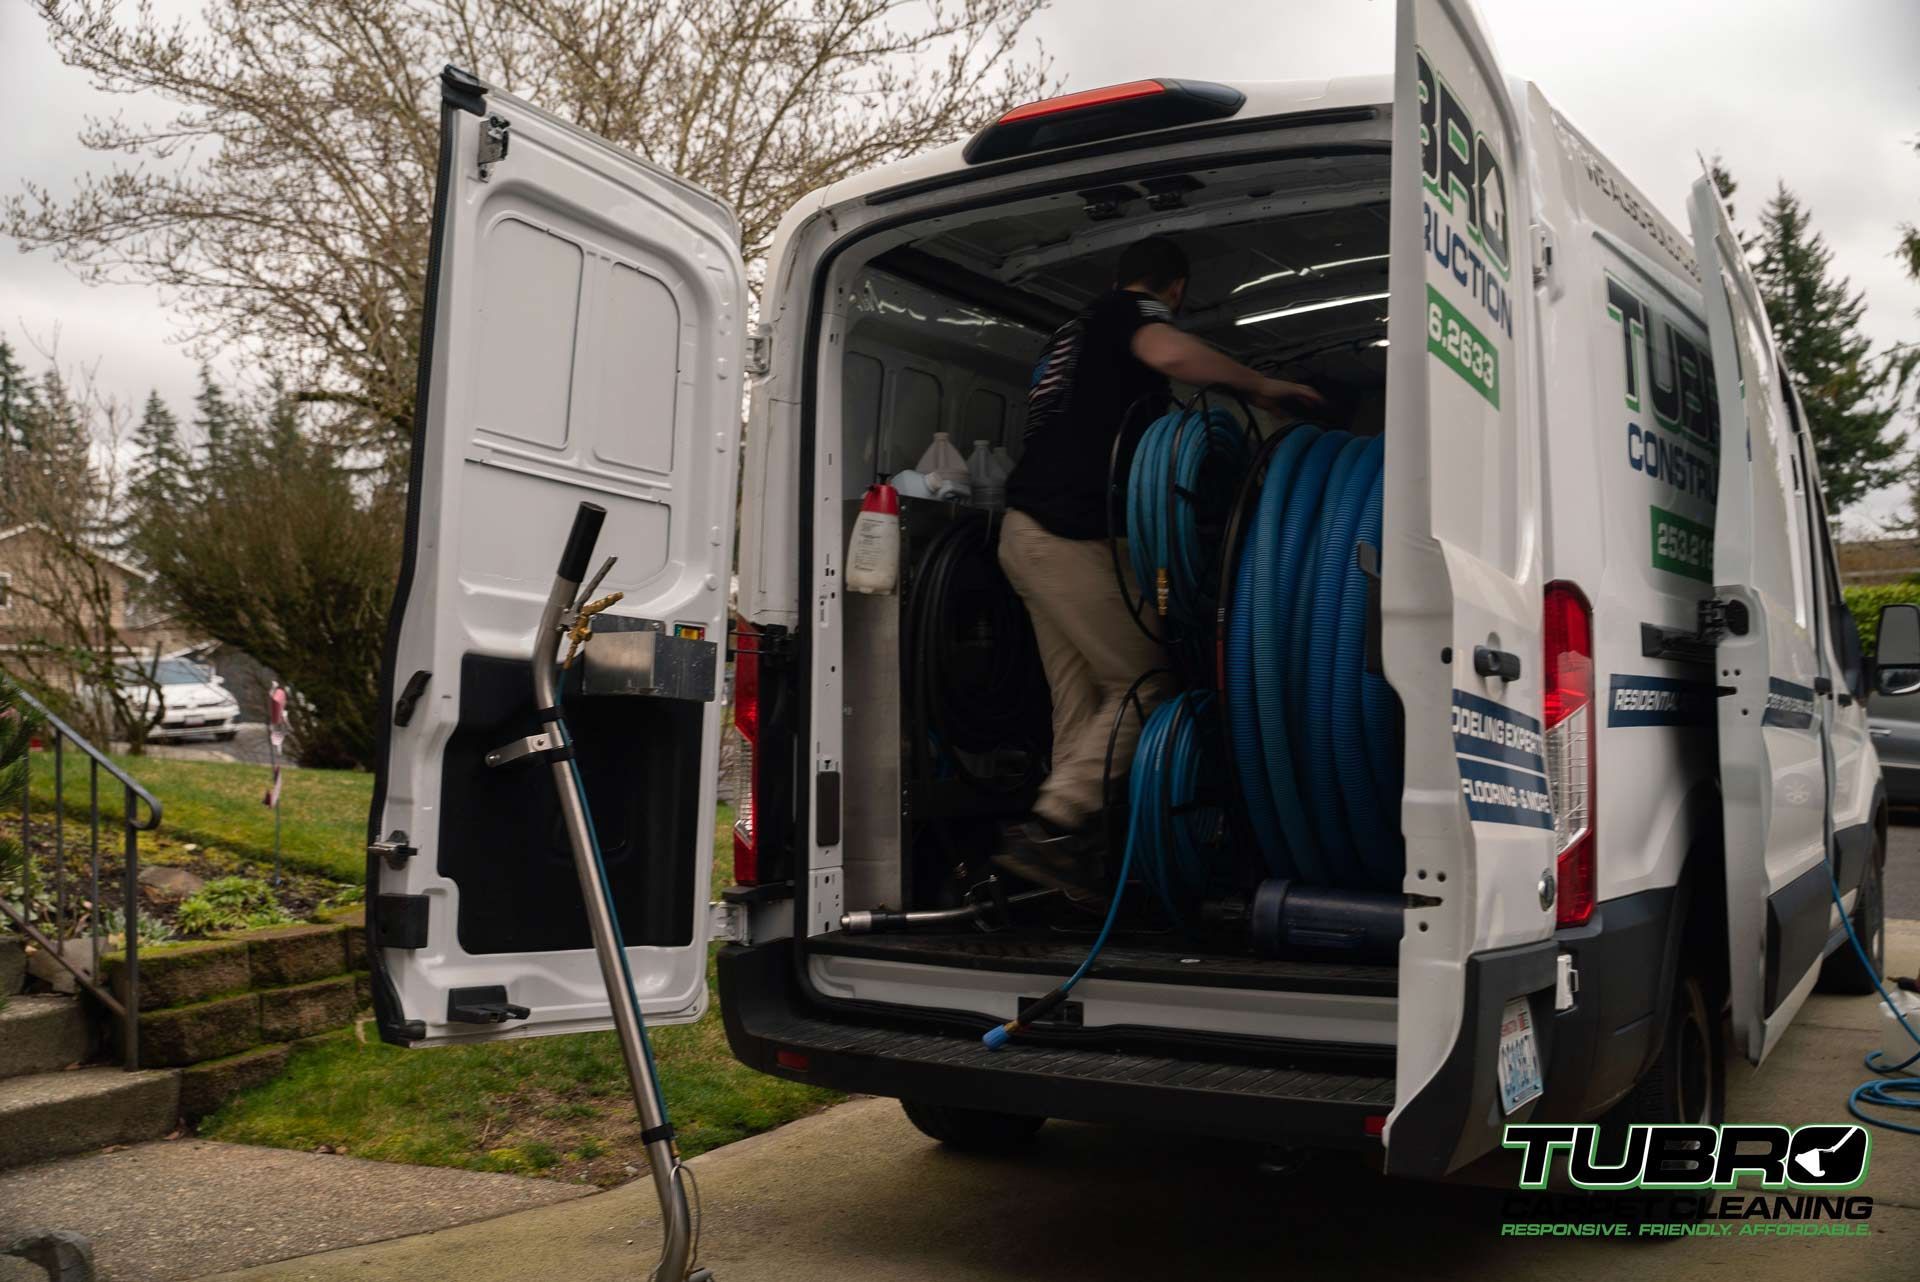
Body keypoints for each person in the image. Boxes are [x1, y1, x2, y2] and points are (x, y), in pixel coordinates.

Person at [994, 235, 1324, 902]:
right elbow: (1168, 353)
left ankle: (1067, 861)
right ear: (1174, 289)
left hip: (1024, 533)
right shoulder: (1129, 311)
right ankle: (1054, 824)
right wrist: (1263, 386)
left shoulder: (1069, 335)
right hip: (1070, 535)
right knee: (1146, 684)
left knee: (1084, 700)